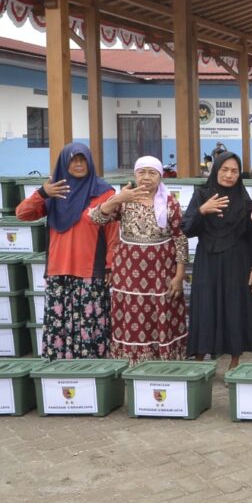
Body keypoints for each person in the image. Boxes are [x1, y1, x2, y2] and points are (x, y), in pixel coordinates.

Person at [16, 142, 118, 359]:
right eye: (73, 160)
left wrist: (111, 265)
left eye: (83, 160)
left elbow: (113, 233)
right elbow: (22, 214)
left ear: (90, 162)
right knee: (58, 327)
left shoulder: (104, 192)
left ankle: (90, 373)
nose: (79, 164)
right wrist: (42, 193)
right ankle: (59, 372)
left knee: (89, 328)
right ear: (64, 163)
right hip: (58, 272)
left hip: (90, 272)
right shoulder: (55, 191)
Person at [91, 156, 189, 364]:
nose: (146, 177)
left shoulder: (170, 203)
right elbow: (96, 218)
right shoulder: (124, 200)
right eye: (141, 172)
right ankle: (131, 362)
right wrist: (118, 199)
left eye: (152, 173)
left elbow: (180, 239)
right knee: (132, 314)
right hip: (128, 273)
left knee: (161, 312)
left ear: (160, 176)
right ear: (135, 175)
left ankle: (162, 362)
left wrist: (179, 275)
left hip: (162, 273)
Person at [182, 152, 252, 372]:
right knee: (205, 307)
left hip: (237, 262)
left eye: (234, 171)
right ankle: (200, 362)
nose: (229, 175)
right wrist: (202, 211)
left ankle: (234, 363)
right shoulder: (202, 195)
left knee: (235, 309)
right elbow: (187, 229)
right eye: (224, 169)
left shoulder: (244, 201)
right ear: (216, 170)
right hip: (207, 261)